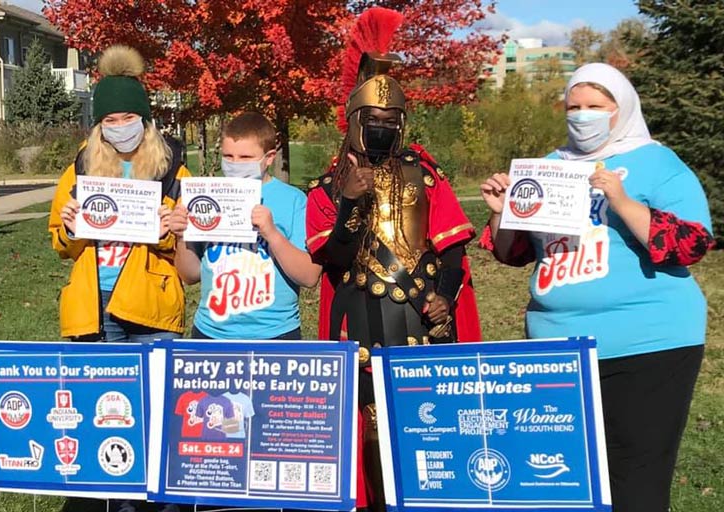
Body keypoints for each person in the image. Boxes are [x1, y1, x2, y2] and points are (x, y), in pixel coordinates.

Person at [479, 63, 715, 512]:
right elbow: (513, 253)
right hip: (556, 343)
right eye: (574, 107)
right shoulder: (548, 167)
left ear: (619, 109)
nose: (582, 116)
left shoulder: (657, 161)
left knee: (635, 475)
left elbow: (691, 245)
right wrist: (501, 210)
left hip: (648, 342)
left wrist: (621, 201)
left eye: (595, 107)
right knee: (560, 476)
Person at [304, 8, 482, 511]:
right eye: (371, 120)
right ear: (354, 121)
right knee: (370, 432)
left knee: (430, 425)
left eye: (390, 121)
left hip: (423, 315)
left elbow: (452, 249)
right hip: (360, 320)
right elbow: (333, 258)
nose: (380, 128)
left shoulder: (426, 176)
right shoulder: (325, 188)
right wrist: (351, 205)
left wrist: (445, 297)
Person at [49, 45, 190, 512]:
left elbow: (188, 244)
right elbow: (61, 242)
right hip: (96, 306)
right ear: (98, 124)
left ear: (145, 121)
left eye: (129, 117)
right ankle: (114, 501)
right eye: (110, 120)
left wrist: (174, 230)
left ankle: (159, 500)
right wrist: (68, 223)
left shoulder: (172, 166)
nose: (120, 127)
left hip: (150, 307)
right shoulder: (81, 167)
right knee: (106, 417)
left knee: (154, 417)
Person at [169, 111, 321, 340]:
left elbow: (309, 276)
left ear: (269, 158)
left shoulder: (294, 200)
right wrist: (182, 236)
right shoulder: (208, 196)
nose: (234, 164)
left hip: (274, 333)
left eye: (245, 158)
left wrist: (272, 234)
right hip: (211, 332)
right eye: (228, 156)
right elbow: (190, 275)